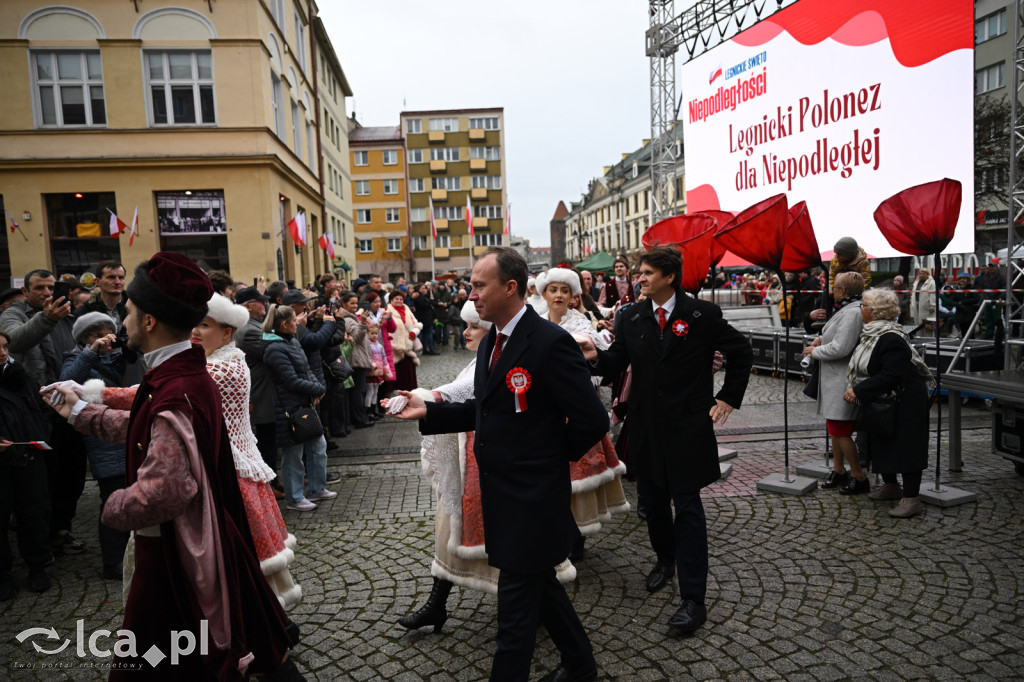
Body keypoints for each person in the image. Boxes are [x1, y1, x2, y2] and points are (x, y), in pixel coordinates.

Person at [42, 252, 297, 680]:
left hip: (180, 551)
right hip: (202, 535)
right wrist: (79, 412)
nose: (122, 321)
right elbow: (147, 421)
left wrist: (112, 508)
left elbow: (164, 490)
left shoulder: (182, 383)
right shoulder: (185, 372)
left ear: (149, 321)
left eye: (128, 312)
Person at [391, 247, 607, 682]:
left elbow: (592, 419)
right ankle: (580, 664)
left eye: (478, 285)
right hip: (502, 491)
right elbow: (484, 409)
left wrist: (546, 459)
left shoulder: (549, 341)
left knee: (514, 618)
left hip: (532, 496)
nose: (471, 295)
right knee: (540, 585)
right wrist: (429, 410)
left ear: (511, 287)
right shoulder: (493, 339)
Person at [578, 245, 753, 637]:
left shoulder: (702, 315)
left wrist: (727, 397)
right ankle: (664, 559)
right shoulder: (631, 316)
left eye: (647, 273)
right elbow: (616, 361)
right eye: (639, 272)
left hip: (688, 426)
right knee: (654, 504)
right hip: (645, 426)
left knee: (688, 507)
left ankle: (693, 598)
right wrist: (593, 356)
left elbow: (741, 352)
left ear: (670, 276)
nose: (640, 278)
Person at [394, 300, 580, 633]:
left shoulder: (532, 346)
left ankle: (526, 622)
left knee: (511, 551)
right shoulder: (485, 355)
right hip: (478, 464)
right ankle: (440, 604)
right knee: (456, 532)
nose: (466, 332)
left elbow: (465, 393)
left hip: (504, 469)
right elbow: (470, 400)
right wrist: (427, 405)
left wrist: (549, 461)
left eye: (472, 325)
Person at [192, 294, 302, 605]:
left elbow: (166, 391)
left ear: (227, 332)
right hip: (236, 467)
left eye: (203, 325)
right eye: (192, 325)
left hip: (233, 471)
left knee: (244, 560)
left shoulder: (220, 368)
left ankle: (265, 627)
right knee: (252, 561)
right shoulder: (222, 360)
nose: (195, 332)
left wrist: (98, 397)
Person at [536, 268, 629, 557]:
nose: (559, 295)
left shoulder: (582, 325)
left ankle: (577, 535)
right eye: (553, 290)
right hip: (543, 410)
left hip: (575, 409)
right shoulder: (535, 324)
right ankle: (553, 529)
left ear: (574, 297)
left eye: (565, 290)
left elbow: (588, 357)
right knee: (549, 473)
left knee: (579, 473)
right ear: (544, 294)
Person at [844, 289, 934, 518]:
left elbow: (891, 374)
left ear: (874, 312)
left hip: (906, 401)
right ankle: (891, 486)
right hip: (886, 399)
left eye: (863, 305)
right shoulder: (873, 333)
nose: (860, 308)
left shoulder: (891, 337)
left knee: (906, 448)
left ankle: (912, 499)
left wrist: (858, 390)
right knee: (882, 441)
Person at [59, 312, 128, 580]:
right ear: (83, 338)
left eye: (108, 333)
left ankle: (129, 557)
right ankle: (113, 564)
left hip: (125, 433)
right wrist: (91, 352)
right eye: (96, 334)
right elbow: (67, 380)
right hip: (104, 442)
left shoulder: (117, 357)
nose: (105, 339)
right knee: (111, 502)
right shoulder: (76, 358)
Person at [262, 303, 335, 511]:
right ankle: (294, 498)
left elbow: (307, 368)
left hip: (304, 404)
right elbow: (291, 380)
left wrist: (317, 388)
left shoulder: (291, 341)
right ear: (284, 324)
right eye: (294, 321)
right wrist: (316, 388)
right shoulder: (274, 348)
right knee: (293, 455)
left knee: (318, 448)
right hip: (289, 408)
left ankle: (317, 488)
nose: (298, 323)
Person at [802, 272, 868, 494]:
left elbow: (842, 347)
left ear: (843, 290)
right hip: (834, 378)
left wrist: (816, 350)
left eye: (835, 286)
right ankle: (839, 471)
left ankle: (858, 476)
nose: (832, 290)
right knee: (835, 428)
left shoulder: (852, 312)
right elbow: (836, 336)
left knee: (841, 430)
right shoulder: (848, 309)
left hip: (841, 379)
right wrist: (822, 338)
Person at [0, 329, 54, 599]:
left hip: (29, 456)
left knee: (34, 513)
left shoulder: (20, 376)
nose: (1, 353)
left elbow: (42, 409)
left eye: (4, 347)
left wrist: (40, 436)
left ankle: (37, 566)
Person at [339, 292, 375, 429]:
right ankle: (359, 419)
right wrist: (363, 323)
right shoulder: (348, 320)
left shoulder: (351, 318)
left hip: (357, 359)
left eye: (356, 303)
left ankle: (359, 417)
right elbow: (357, 337)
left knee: (358, 391)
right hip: (355, 360)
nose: (355, 306)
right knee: (357, 392)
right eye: (351, 303)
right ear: (344, 304)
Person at [386, 290, 421, 391]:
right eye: (396, 299)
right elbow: (383, 327)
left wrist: (414, 332)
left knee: (408, 377)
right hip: (394, 348)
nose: (399, 301)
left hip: (408, 348)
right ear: (391, 300)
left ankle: (408, 395)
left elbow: (416, 324)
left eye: (401, 299)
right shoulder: (387, 311)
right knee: (394, 376)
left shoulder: (406, 309)